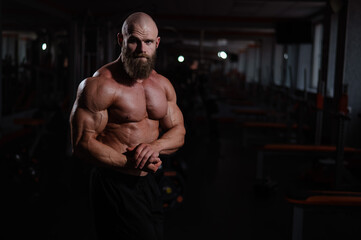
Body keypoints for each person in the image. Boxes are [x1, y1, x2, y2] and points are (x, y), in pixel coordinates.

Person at [69, 12, 186, 240]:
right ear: (121, 40)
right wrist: (129, 162)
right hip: (115, 183)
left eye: (148, 42)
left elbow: (179, 132)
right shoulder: (99, 85)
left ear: (157, 43)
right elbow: (81, 143)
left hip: (151, 181)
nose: (142, 48)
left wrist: (155, 147)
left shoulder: (162, 85)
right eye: (134, 40)